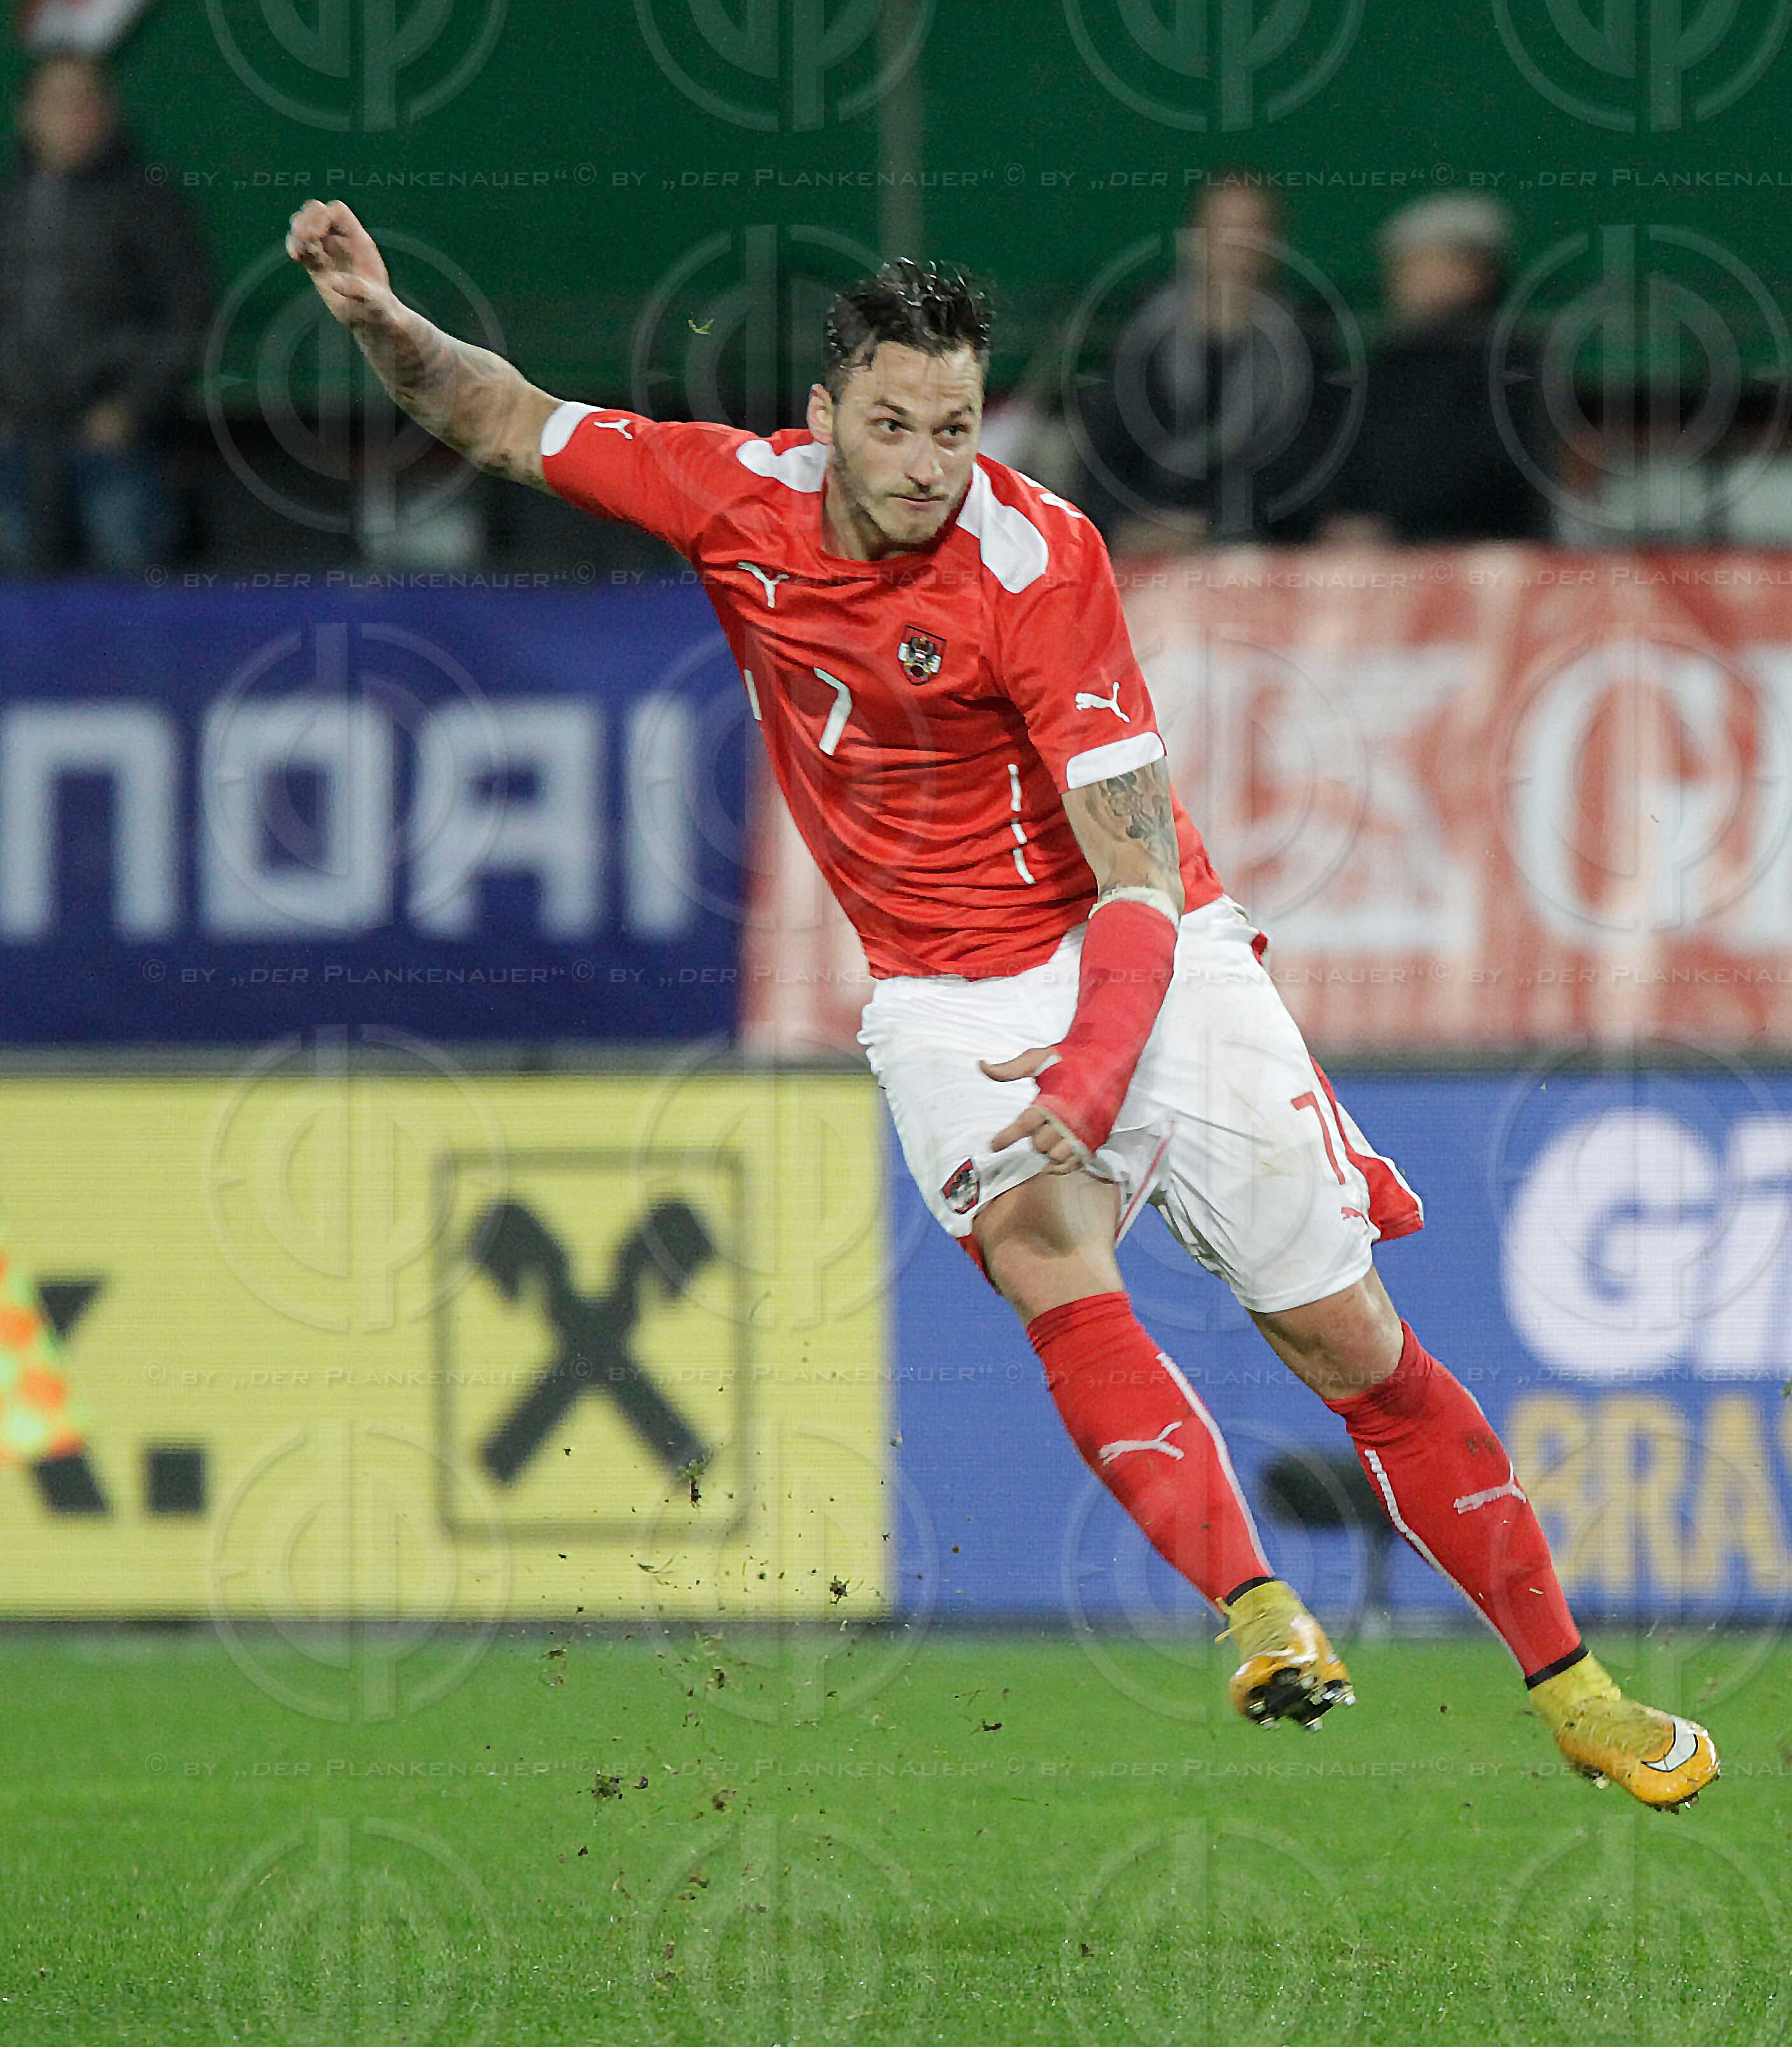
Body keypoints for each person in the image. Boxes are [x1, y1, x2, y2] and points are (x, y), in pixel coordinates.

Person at [282, 198, 1718, 1809]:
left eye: (953, 427)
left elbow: (1136, 886)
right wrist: (375, 319)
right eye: (890, 424)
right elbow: (496, 413)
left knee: (1342, 1336)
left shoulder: (1039, 564)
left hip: (1147, 963)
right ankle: (1261, 1612)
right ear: (821, 417)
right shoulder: (723, 493)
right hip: (940, 993)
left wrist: (1095, 1078)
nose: (922, 460)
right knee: (1046, 1248)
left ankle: (1573, 1686)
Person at [0, 52, 212, 572]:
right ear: (26, 113)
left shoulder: (150, 205)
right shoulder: (9, 206)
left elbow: (189, 317)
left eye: (86, 100)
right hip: (16, 441)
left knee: (128, 594)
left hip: (117, 442)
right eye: (57, 102)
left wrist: (130, 410)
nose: (72, 116)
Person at [1068, 170, 1352, 558]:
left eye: (1254, 230)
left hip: (1260, 558)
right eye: (1224, 229)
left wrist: (1214, 526)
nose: (1239, 246)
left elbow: (1309, 470)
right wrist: (1130, 525)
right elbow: (1103, 455)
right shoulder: (1141, 344)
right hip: (1141, 557)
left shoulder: (1309, 349)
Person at [1321, 193, 1550, 546]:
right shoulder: (1389, 364)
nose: (1401, 280)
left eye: (1419, 263)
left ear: (1473, 269)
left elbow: (1493, 472)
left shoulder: (1511, 362)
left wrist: (1392, 520)